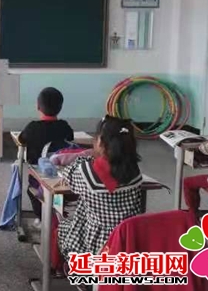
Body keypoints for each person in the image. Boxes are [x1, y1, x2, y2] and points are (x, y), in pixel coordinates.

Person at [58, 116, 143, 270]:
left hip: (95, 248)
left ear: (100, 143)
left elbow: (68, 174)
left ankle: (69, 269)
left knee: (63, 227)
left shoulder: (87, 172)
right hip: (127, 244)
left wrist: (84, 160)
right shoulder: (135, 171)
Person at [18, 87, 75, 218]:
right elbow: (70, 139)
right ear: (60, 107)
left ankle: (42, 218)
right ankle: (56, 213)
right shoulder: (64, 126)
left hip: (39, 177)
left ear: (38, 106)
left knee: (31, 191)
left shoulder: (32, 127)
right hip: (61, 177)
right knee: (57, 195)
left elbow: (21, 140)